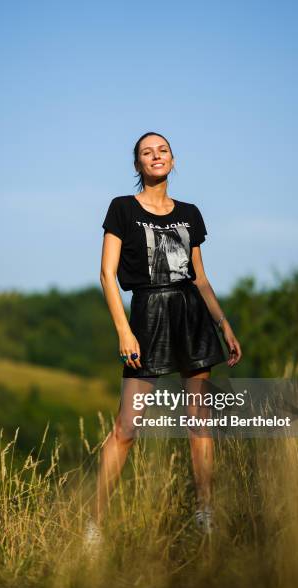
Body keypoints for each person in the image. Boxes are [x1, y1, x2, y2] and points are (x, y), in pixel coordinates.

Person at [86, 131, 242, 547]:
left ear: (173, 160)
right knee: (127, 427)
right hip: (147, 316)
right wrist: (123, 329)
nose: (155, 156)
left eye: (162, 151)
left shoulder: (190, 213)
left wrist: (223, 324)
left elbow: (200, 277)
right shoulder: (122, 208)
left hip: (191, 316)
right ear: (137, 165)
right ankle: (93, 526)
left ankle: (204, 514)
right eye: (146, 153)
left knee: (199, 422)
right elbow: (106, 274)